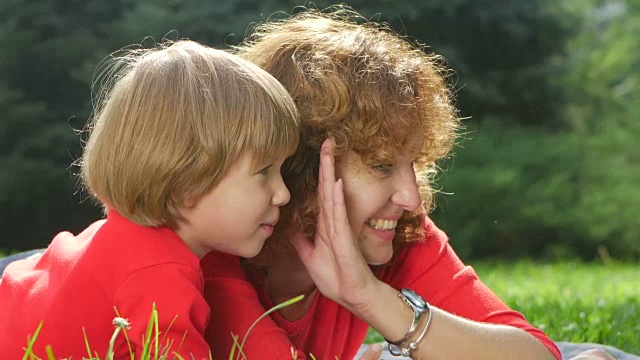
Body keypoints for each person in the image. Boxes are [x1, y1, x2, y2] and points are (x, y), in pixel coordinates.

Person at [200, 7, 633, 360]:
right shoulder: (219, 252)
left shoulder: (393, 233)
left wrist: (370, 297)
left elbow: (535, 354)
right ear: (300, 166)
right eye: (383, 166)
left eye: (414, 165)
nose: (411, 199)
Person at [0, 40, 299, 359]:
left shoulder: (133, 239)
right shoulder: (160, 273)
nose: (283, 194)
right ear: (187, 183)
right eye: (265, 171)